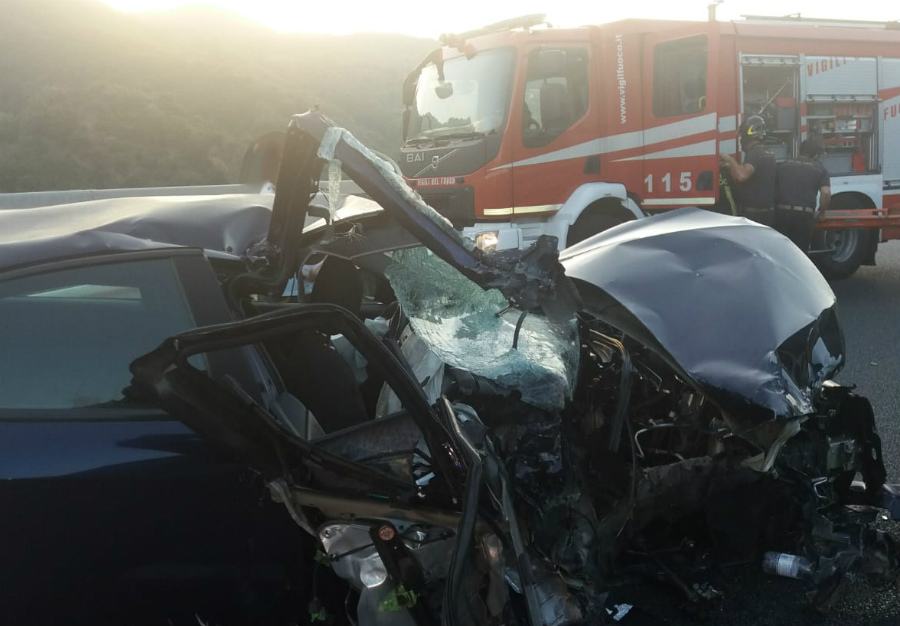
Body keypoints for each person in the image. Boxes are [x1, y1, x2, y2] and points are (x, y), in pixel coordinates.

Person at [774, 136, 831, 251]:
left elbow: (773, 187)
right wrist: (822, 212)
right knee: (799, 254)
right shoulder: (820, 169)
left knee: (781, 252)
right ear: (815, 155)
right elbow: (825, 193)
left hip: (781, 214)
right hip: (803, 217)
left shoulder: (783, 165)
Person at [719, 115, 777, 226]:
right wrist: (729, 166)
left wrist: (729, 159)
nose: (740, 141)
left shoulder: (755, 152)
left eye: (741, 137)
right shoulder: (767, 152)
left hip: (755, 215)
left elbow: (741, 176)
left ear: (748, 135)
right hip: (768, 213)